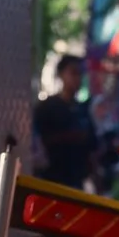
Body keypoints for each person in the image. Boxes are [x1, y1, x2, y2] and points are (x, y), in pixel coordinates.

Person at [33, 52, 96, 191]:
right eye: (73, 73)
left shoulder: (82, 109)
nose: (77, 79)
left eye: (80, 74)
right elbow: (38, 142)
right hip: (51, 181)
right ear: (61, 74)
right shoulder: (47, 107)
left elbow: (92, 145)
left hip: (77, 181)